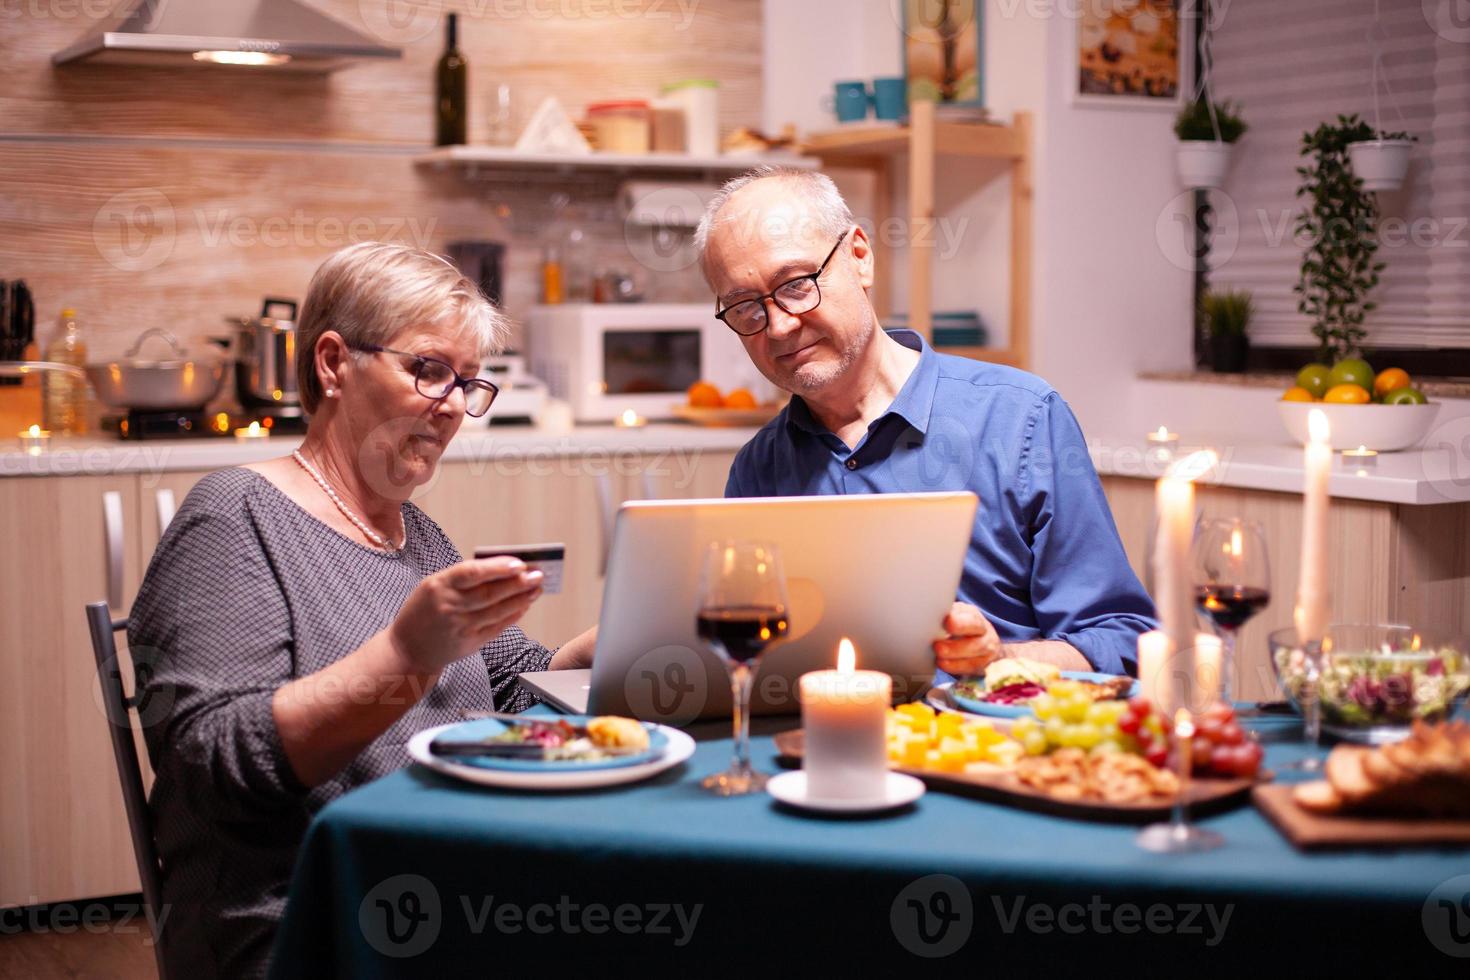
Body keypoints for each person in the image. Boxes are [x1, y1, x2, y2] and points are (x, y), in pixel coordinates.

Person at [128, 242, 595, 977]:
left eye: (468, 383)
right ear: (333, 362)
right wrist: (405, 658)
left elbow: (512, 684)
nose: (452, 407)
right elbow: (212, 767)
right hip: (311, 918)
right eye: (429, 370)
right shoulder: (234, 516)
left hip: (452, 882)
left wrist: (616, 641)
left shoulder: (423, 538)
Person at [693, 167, 1156, 678]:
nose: (778, 325)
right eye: (744, 307)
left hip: (988, 746)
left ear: (859, 256)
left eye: (797, 285)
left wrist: (1001, 660)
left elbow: (1123, 639)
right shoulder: (759, 467)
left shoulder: (1019, 418)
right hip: (813, 749)